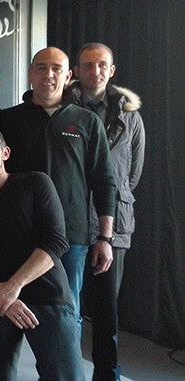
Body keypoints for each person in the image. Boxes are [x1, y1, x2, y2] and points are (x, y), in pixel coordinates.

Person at [0, 47, 117, 339]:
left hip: (71, 238)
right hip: (16, 235)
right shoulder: (6, 121)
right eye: (41, 67)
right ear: (30, 73)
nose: (48, 75)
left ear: (68, 75)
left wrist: (105, 238)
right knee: (6, 315)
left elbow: (104, 181)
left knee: (66, 316)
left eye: (56, 68)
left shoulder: (88, 122)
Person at [0, 124, 84, 381]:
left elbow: (56, 241)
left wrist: (14, 287)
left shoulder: (36, 183)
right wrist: (0, 295)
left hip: (48, 296)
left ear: (5, 152)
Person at [69, 43, 145, 381]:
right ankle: (67, 371)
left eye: (102, 65)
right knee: (68, 308)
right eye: (88, 65)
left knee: (106, 311)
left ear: (111, 71)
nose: (95, 71)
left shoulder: (131, 116)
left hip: (113, 226)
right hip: (71, 221)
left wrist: (109, 201)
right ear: (77, 70)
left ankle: (106, 374)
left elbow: (133, 174)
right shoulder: (64, 110)